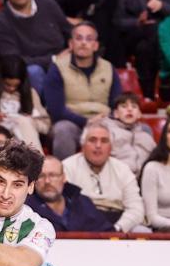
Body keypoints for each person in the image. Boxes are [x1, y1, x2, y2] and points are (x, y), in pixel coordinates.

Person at [45, 22, 122, 161]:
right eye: (79, 38)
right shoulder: (57, 68)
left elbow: (117, 103)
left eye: (89, 39)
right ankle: (64, 178)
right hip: (72, 122)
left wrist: (107, 119)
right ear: (71, 44)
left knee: (139, 130)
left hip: (104, 121)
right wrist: (86, 121)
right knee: (62, 130)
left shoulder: (108, 68)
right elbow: (56, 110)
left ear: (95, 45)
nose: (83, 43)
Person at [62, 121, 146, 232]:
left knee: (142, 231)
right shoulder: (67, 167)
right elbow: (63, 206)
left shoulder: (123, 169)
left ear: (111, 147)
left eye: (104, 141)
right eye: (92, 140)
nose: (98, 145)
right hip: (81, 224)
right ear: (83, 146)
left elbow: (136, 208)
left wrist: (117, 228)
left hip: (117, 222)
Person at [110, 0, 170, 98]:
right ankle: (156, 88)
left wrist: (162, 6)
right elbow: (117, 20)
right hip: (131, 34)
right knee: (152, 32)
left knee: (145, 47)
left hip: (161, 38)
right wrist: (137, 22)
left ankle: (148, 93)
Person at [26, 154, 117, 232]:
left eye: (53, 175)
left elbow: (107, 233)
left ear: (64, 177)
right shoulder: (25, 208)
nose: (47, 181)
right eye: (41, 176)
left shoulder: (82, 202)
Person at [0, 56, 51, 152]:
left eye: (16, 85)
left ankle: (34, 162)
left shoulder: (30, 94)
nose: (11, 89)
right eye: (7, 84)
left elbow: (46, 126)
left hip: (24, 137)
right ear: (0, 79)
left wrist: (30, 121)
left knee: (23, 121)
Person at [102, 93, 156, 175]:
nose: (129, 109)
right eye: (124, 106)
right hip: (117, 177)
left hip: (143, 179)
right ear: (116, 113)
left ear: (139, 114)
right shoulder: (107, 131)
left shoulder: (146, 135)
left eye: (134, 107)